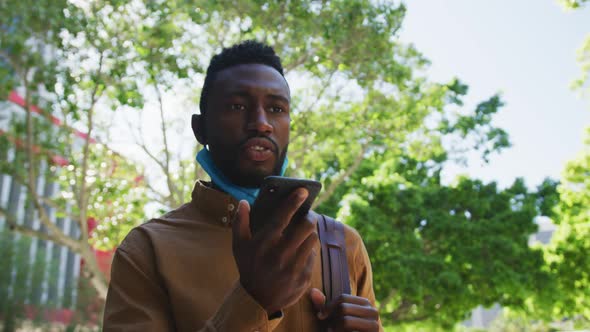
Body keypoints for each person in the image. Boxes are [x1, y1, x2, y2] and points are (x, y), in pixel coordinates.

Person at [103, 40, 383, 332]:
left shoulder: (342, 245)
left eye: (276, 108)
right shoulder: (146, 250)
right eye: (237, 106)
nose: (261, 123)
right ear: (200, 128)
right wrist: (252, 301)